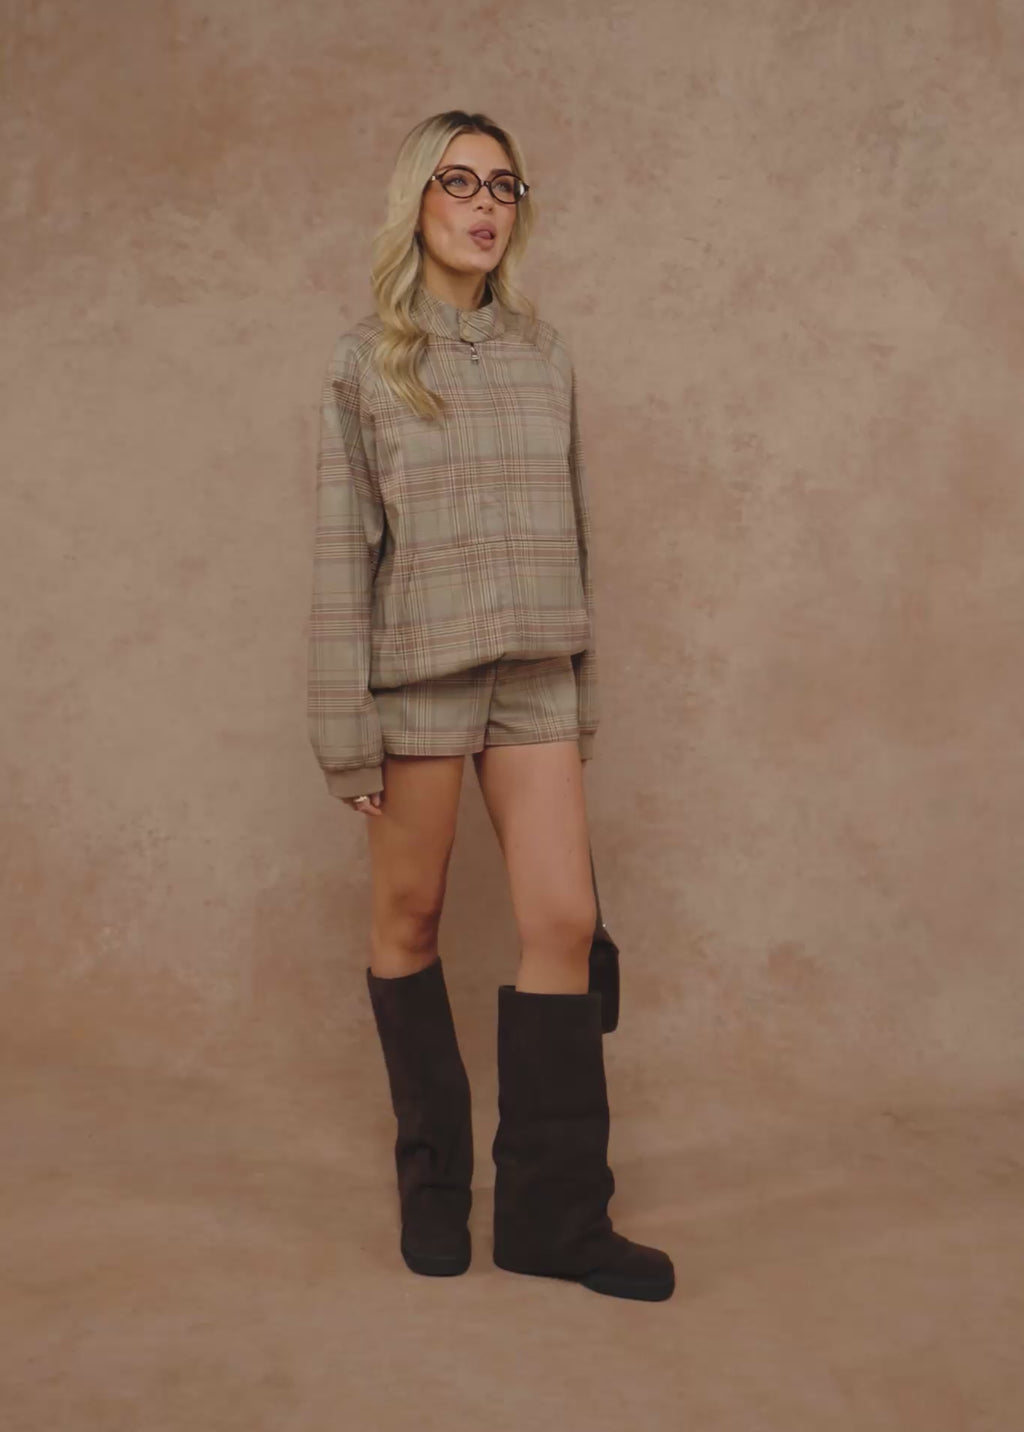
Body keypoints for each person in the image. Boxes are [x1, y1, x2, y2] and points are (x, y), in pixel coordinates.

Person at [307, 110, 674, 1303]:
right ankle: (432, 1182)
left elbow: (577, 529)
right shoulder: (365, 363)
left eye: (502, 186)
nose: (483, 205)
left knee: (563, 916)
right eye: (458, 181)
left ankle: (554, 1219)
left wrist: (581, 689)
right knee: (408, 917)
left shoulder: (543, 353)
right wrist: (343, 726)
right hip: (417, 671)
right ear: (416, 200)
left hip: (534, 676)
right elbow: (342, 551)